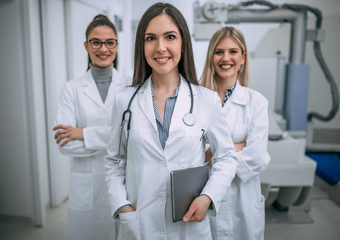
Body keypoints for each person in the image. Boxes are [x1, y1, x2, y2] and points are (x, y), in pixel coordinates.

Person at [104, 3, 238, 240]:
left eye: (170, 37)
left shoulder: (205, 100)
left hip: (188, 226)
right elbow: (114, 161)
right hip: (139, 224)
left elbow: (226, 157)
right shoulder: (124, 101)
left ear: (183, 43)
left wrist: (207, 197)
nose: (160, 47)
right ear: (141, 45)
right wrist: (122, 206)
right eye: (150, 38)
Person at [53, 14, 128, 240]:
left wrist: (83, 134)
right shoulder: (72, 89)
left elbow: (132, 138)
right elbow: (65, 145)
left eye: (109, 42)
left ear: (116, 45)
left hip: (122, 182)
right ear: (86, 46)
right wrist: (114, 142)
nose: (103, 48)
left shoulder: (129, 86)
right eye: (96, 42)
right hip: (86, 184)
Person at [201, 26, 270, 240]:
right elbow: (189, 154)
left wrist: (213, 152)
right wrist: (237, 146)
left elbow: (257, 157)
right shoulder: (197, 99)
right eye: (219, 51)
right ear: (211, 56)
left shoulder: (256, 102)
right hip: (205, 198)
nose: (226, 58)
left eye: (233, 52)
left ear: (243, 58)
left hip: (243, 202)